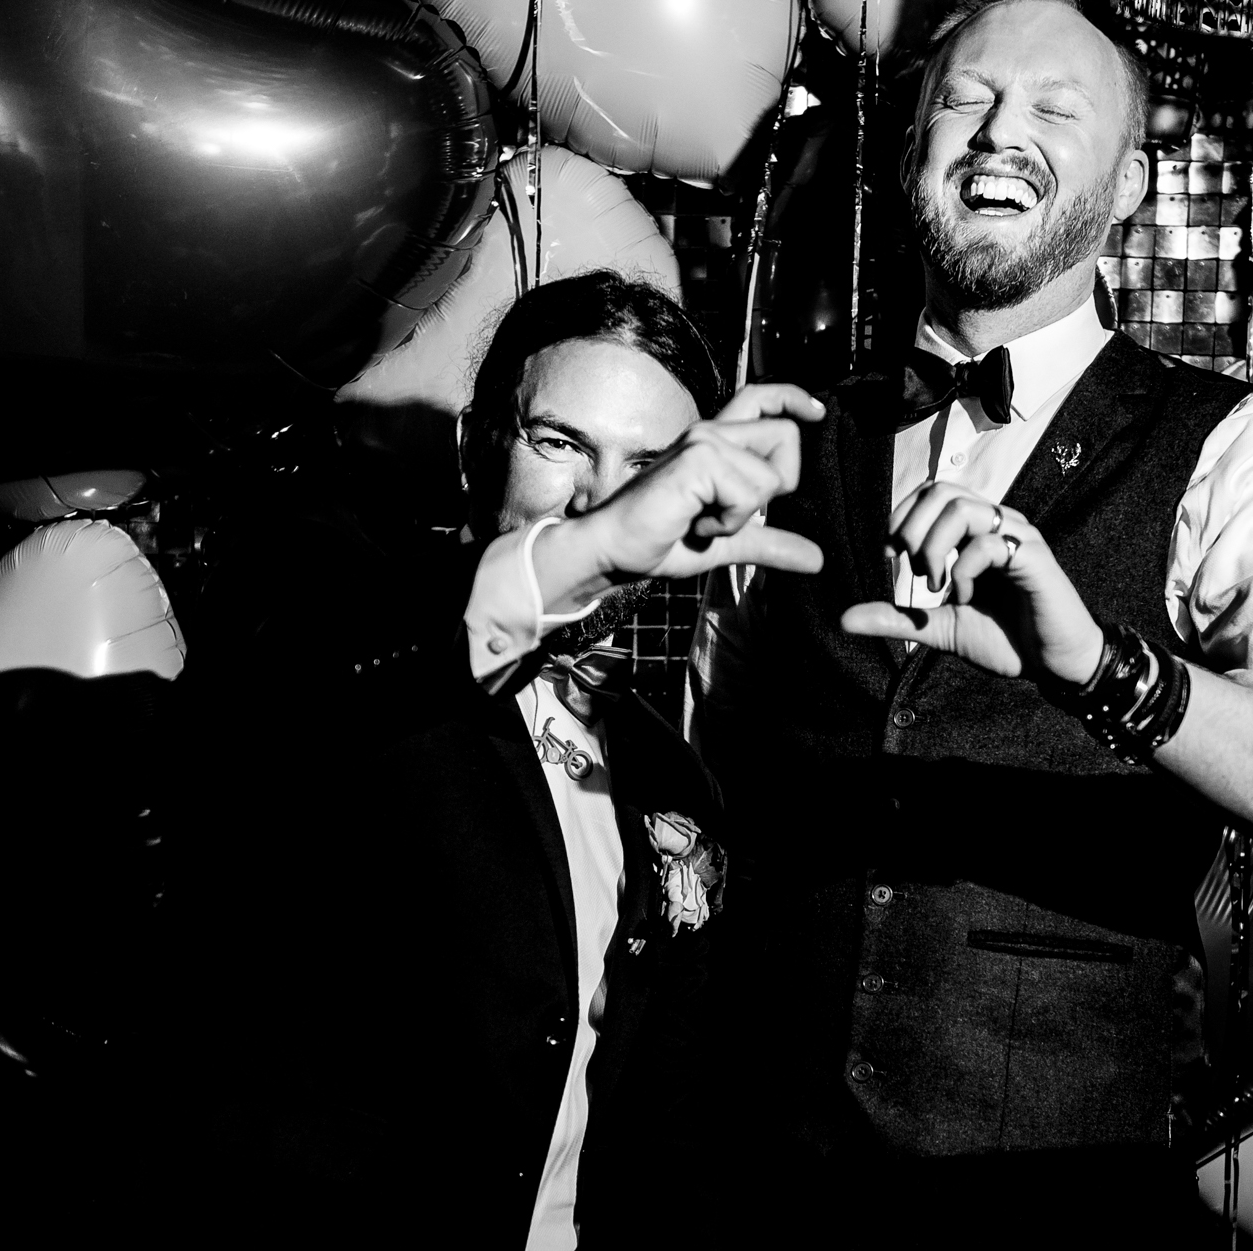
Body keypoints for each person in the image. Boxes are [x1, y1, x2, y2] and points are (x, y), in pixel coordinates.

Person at [684, 0, 1253, 1243]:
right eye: (964, 100)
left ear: (1129, 186)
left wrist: (1097, 671)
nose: (997, 132)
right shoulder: (784, 433)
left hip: (1051, 1195)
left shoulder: (1237, 444)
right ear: (910, 154)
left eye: (1053, 109)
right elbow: (714, 780)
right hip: (757, 1184)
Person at [165, 270, 823, 1245]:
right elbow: (281, 692)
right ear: (477, 447)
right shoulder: (338, 618)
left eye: (649, 466)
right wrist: (577, 558)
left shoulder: (669, 777)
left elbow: (667, 1126)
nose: (601, 497)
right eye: (560, 443)